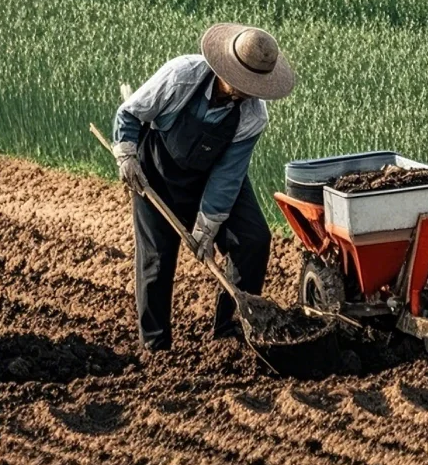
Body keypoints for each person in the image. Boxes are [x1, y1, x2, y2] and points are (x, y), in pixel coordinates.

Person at [112, 24, 296, 352]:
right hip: (160, 171)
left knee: (253, 239)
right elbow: (131, 114)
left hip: (214, 176)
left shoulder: (253, 115)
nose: (245, 92)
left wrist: (207, 225)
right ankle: (156, 347)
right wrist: (126, 154)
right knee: (156, 257)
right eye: (240, 83)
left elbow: (228, 174)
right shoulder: (182, 76)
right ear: (224, 67)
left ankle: (230, 332)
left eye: (253, 86)